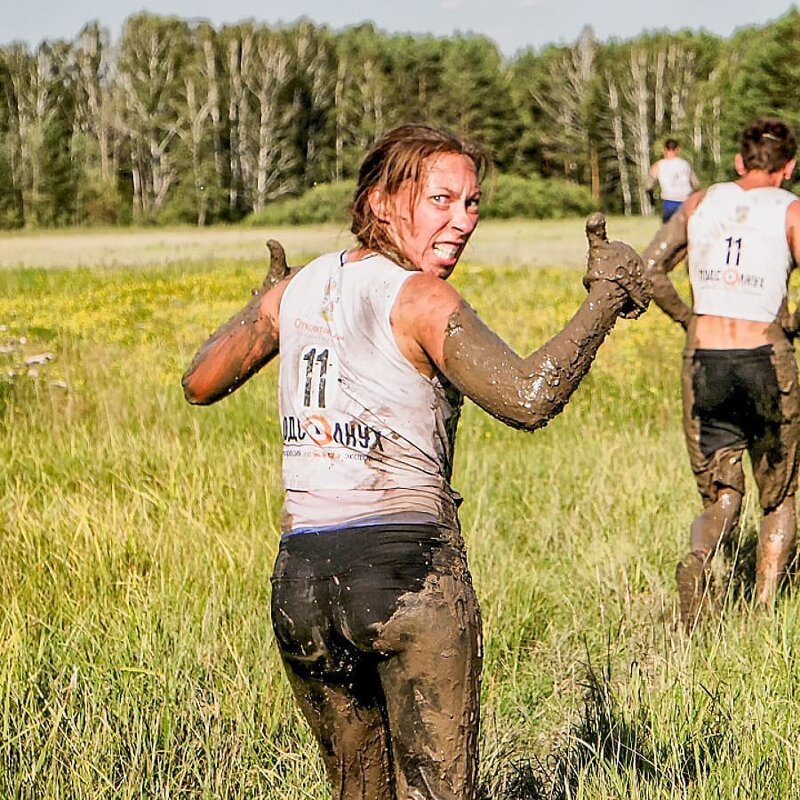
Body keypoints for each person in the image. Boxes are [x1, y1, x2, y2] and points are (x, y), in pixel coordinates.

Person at [182, 123, 650, 799]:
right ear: (379, 203)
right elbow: (526, 398)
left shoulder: (298, 291)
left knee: (357, 790)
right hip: (408, 576)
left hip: (303, 584)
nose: (462, 221)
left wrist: (270, 300)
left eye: (472, 203)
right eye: (440, 201)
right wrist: (607, 296)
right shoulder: (422, 298)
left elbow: (200, 381)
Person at [642, 117, 800, 630]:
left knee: (722, 493)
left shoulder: (700, 201)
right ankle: (763, 608)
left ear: (739, 161)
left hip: (703, 359)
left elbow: (648, 269)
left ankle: (701, 559)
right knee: (778, 493)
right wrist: (791, 322)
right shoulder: (791, 210)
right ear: (790, 166)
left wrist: (688, 318)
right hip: (765, 360)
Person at [646, 138, 701, 223]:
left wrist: (651, 199)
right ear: (678, 150)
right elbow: (696, 184)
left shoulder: (658, 166)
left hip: (670, 202)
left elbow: (649, 185)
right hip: (687, 201)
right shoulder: (685, 164)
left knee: (668, 229)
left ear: (664, 150)